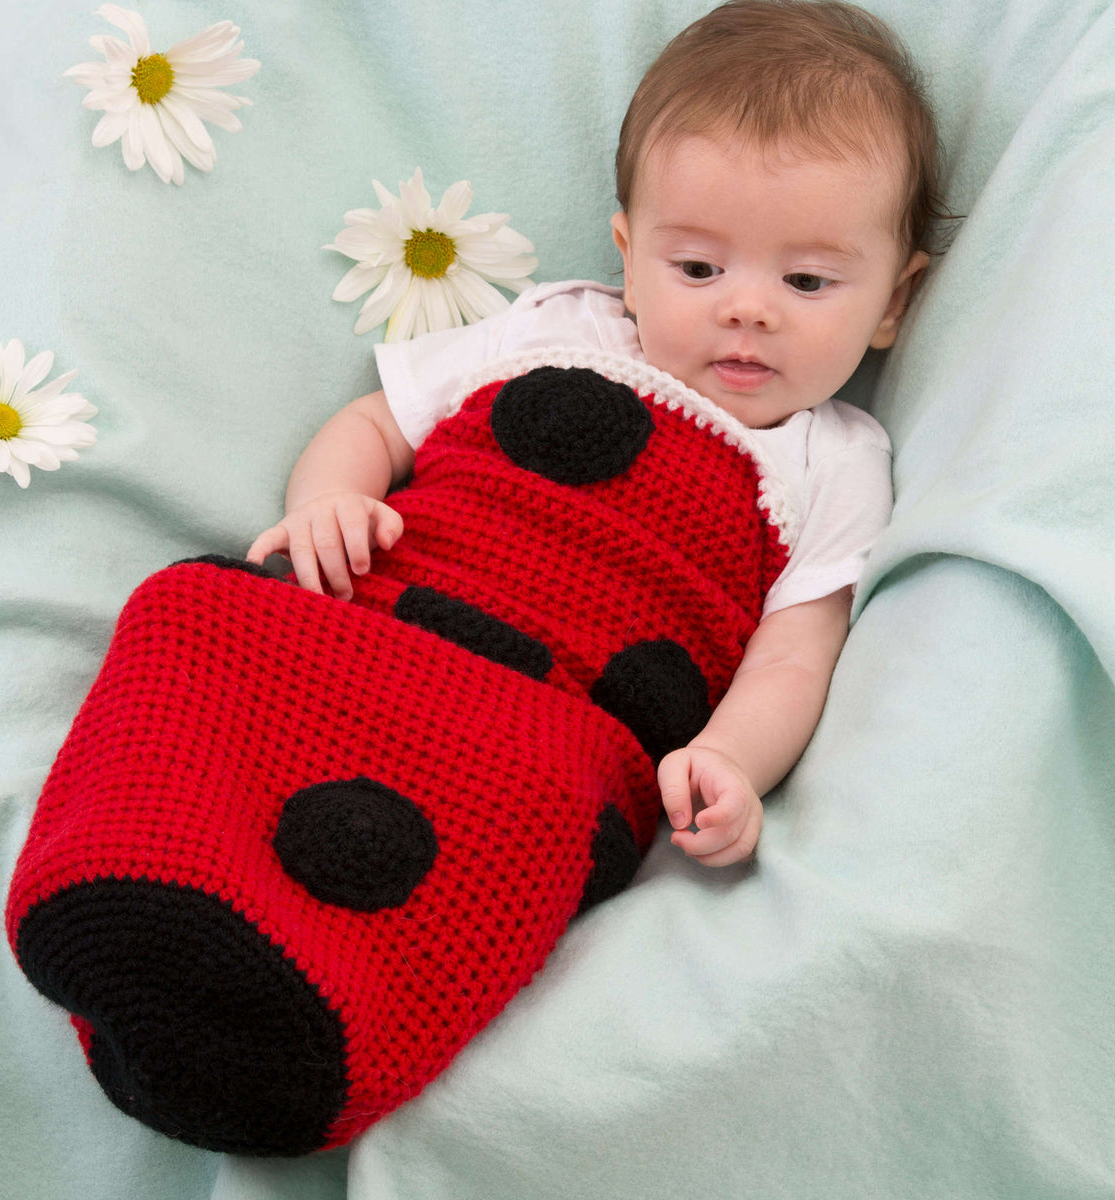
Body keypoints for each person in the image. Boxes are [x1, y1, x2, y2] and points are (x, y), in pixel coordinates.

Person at [248, 0, 946, 870]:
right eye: (696, 268)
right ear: (627, 256)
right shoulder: (554, 328)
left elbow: (795, 657)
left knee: (517, 836)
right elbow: (376, 422)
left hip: (548, 726)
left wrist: (730, 760)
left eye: (806, 280)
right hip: (375, 628)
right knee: (186, 612)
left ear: (891, 302)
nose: (746, 308)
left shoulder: (835, 461)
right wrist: (329, 503)